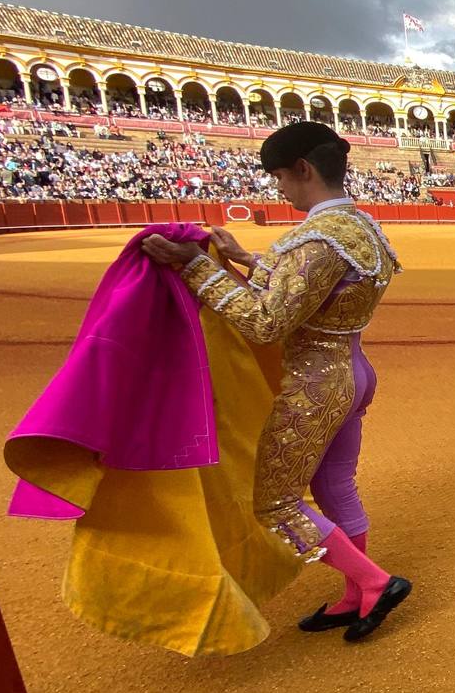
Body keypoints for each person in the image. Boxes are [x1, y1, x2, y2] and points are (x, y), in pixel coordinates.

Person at [140, 121, 412, 642]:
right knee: (334, 484)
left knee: (276, 503)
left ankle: (374, 582)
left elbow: (267, 323)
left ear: (303, 170)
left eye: (280, 178)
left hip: (316, 380)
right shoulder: (362, 227)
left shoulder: (315, 238)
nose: (279, 189)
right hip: (353, 370)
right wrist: (245, 260)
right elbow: (314, 288)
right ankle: (357, 594)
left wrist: (199, 268)